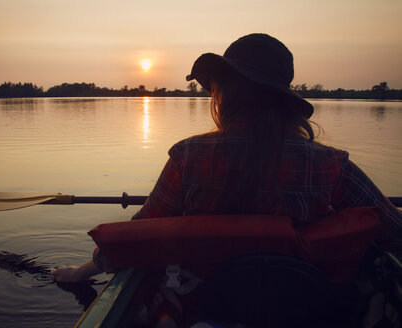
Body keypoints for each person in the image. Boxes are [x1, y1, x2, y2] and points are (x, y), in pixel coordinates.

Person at [53, 33, 401, 327]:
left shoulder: (187, 157)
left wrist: (80, 273)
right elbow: (394, 233)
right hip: (304, 308)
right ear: (284, 102)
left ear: (226, 93)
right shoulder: (331, 164)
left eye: (215, 88)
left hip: (211, 304)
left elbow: (138, 237)